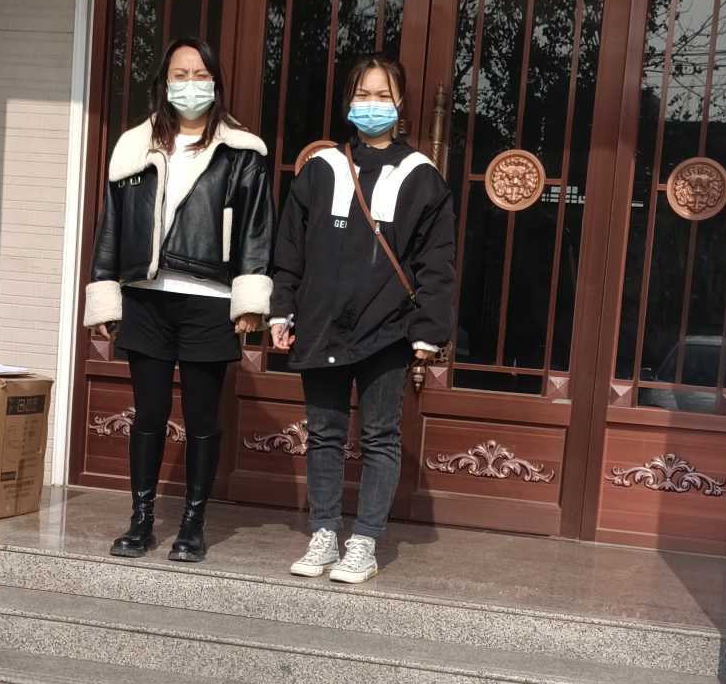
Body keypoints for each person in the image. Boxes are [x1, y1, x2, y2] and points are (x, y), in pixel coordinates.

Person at [268, 57, 455, 584]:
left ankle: (366, 541)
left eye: (382, 95)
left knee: (379, 435)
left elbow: (437, 261)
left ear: (401, 104)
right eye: (363, 94)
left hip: (386, 327)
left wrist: (429, 331)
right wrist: (282, 308)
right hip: (321, 321)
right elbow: (290, 249)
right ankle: (324, 532)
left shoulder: (421, 176)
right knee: (324, 433)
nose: (372, 105)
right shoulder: (321, 168)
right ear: (349, 101)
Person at [84, 38, 273, 561]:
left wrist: (250, 298)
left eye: (200, 74)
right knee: (147, 414)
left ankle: (193, 523)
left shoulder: (243, 151)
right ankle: (141, 520)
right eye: (180, 74)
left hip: (209, 300)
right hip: (146, 299)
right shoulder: (134, 146)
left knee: (202, 417)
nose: (190, 84)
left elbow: (257, 229)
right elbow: (112, 225)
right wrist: (105, 294)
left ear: (215, 82)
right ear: (164, 83)